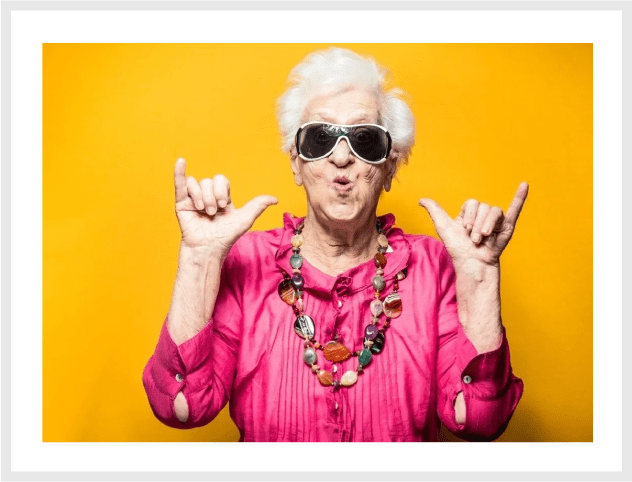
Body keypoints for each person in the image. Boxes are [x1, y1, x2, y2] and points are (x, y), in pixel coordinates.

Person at [142, 47, 526, 443]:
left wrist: (479, 277)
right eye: (320, 138)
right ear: (295, 161)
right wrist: (199, 261)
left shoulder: (436, 267)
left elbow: (480, 420)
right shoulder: (246, 263)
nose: (341, 157)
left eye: (365, 140)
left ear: (390, 166)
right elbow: (182, 405)